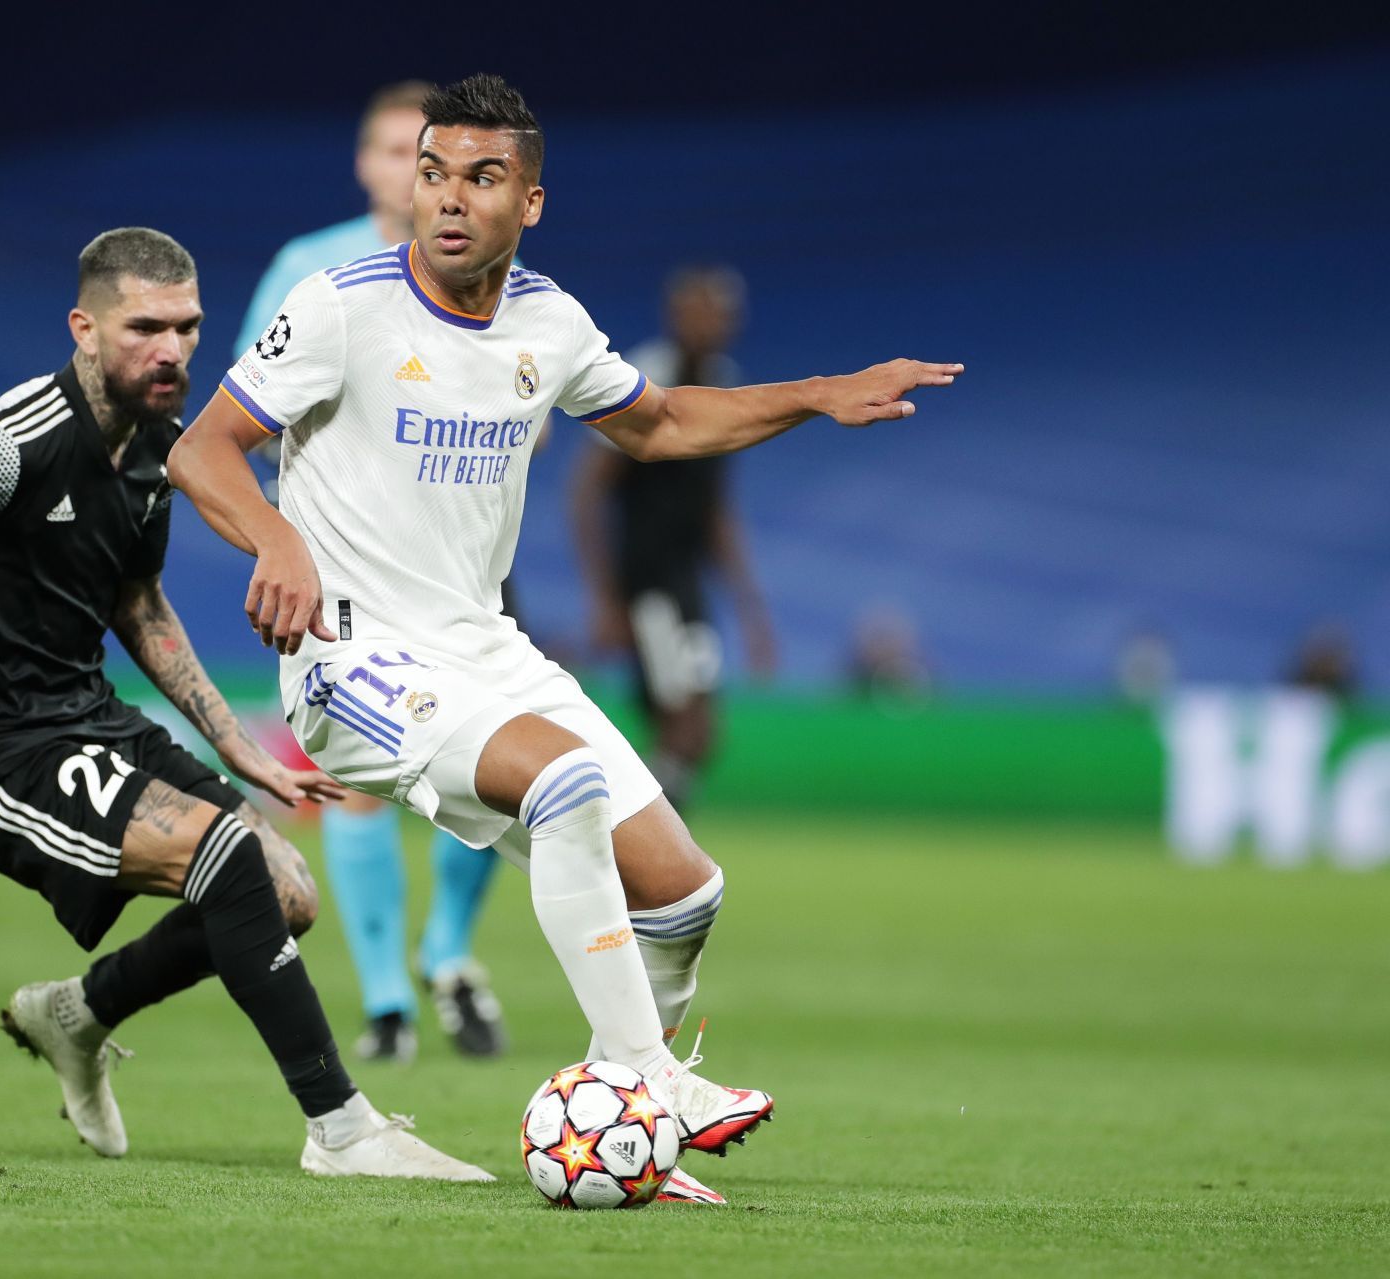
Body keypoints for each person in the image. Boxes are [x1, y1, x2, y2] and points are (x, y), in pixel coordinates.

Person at [168, 74, 964, 1206]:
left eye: (482, 178)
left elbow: (661, 420)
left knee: (686, 894)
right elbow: (202, 451)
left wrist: (821, 391)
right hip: (351, 663)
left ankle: (614, 1117)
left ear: (529, 201)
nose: (447, 198)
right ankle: (649, 1084)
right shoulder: (341, 303)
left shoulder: (547, 321)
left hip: (480, 648)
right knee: (565, 782)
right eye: (432, 171)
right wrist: (276, 542)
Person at [0, 226, 487, 1182]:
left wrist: (228, 739)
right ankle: (342, 1127)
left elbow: (137, 602)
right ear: (84, 327)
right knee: (229, 856)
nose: (171, 350)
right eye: (145, 328)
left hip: (85, 719)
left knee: (287, 895)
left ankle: (76, 1012)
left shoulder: (159, 445)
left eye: (188, 327)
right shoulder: (1, 446)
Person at [237, 81, 508, 1063]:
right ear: (367, 164)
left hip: (463, 568)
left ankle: (446, 950)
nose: (414, 172)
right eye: (398, 152)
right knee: (360, 780)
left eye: (430, 155)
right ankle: (391, 1002)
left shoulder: (488, 271)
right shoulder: (309, 271)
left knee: (506, 773)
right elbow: (240, 421)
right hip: (347, 572)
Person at [571, 266, 776, 809]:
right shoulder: (646, 380)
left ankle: (634, 835)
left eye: (722, 314)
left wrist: (750, 609)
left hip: (687, 587)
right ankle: (631, 835)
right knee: (683, 723)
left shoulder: (723, 382)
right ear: (675, 316)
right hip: (649, 584)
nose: (712, 323)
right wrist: (606, 597)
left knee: (698, 732)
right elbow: (587, 490)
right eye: (699, 311)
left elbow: (715, 508)